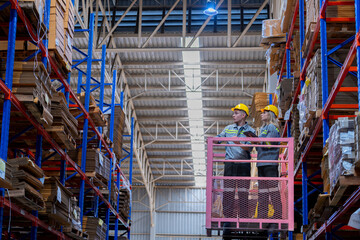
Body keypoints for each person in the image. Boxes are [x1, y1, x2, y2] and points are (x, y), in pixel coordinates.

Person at [216, 103, 256, 239]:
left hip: (244, 165)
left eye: (236, 113)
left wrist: (240, 144)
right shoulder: (228, 128)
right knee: (228, 193)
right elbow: (219, 138)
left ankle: (244, 221)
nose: (233, 115)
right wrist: (214, 140)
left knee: (244, 193)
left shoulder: (250, 130)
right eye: (233, 113)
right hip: (230, 165)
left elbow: (250, 148)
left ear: (243, 115)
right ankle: (228, 222)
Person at [256, 105, 282, 231]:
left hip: (270, 163)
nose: (262, 114)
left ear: (271, 114)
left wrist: (258, 141)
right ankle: (262, 215)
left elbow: (269, 144)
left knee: (272, 190)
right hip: (262, 163)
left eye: (264, 112)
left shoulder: (272, 127)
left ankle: (278, 213)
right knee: (262, 192)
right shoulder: (263, 128)